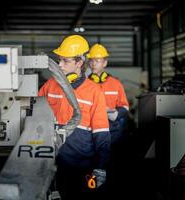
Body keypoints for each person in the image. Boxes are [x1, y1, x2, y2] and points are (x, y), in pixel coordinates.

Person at [38, 35, 111, 199]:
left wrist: (101, 167)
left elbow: (102, 134)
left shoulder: (94, 91)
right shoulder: (50, 85)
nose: (59, 65)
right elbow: (32, 115)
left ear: (79, 62)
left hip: (79, 168)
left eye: (65, 61)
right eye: (59, 60)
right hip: (49, 165)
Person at [87, 43, 129, 147]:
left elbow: (125, 106)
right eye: (91, 60)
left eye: (97, 61)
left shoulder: (116, 84)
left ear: (105, 63)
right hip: (91, 130)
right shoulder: (85, 84)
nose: (93, 64)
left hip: (113, 131)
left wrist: (116, 114)